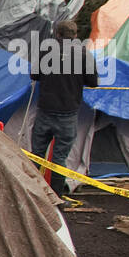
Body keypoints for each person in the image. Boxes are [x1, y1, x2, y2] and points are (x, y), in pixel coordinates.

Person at [29, 19, 97, 197]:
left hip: (45, 110)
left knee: (36, 154)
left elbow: (34, 75)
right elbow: (93, 82)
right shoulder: (84, 55)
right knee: (59, 158)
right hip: (68, 113)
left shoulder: (46, 50)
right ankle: (56, 197)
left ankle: (30, 193)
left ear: (57, 34)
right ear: (75, 36)